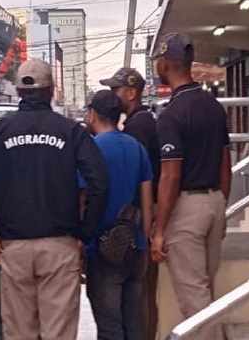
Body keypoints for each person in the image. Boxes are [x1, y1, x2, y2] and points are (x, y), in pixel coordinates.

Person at [0, 60, 109, 340]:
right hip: (60, 246)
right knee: (59, 332)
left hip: (12, 248)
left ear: (18, 92)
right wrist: (85, 233)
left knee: (19, 333)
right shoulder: (72, 132)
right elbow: (100, 183)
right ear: (51, 90)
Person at [150, 32, 232, 339]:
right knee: (206, 292)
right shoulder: (213, 106)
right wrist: (222, 204)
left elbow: (170, 175)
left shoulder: (171, 114)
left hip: (187, 209)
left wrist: (159, 229)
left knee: (196, 301)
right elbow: (226, 164)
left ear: (164, 63)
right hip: (214, 202)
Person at [81, 90, 153, 340]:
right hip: (136, 247)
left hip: (103, 251)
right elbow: (146, 199)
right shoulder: (137, 147)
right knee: (134, 322)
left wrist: (82, 244)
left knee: (110, 325)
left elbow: (83, 199)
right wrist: (143, 240)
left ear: (92, 115)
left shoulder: (90, 149)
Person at [100, 67, 161, 340]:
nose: (115, 94)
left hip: (132, 231)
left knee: (136, 305)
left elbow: (143, 186)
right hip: (137, 229)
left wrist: (146, 235)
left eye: (118, 89)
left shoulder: (138, 128)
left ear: (132, 92)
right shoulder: (142, 123)